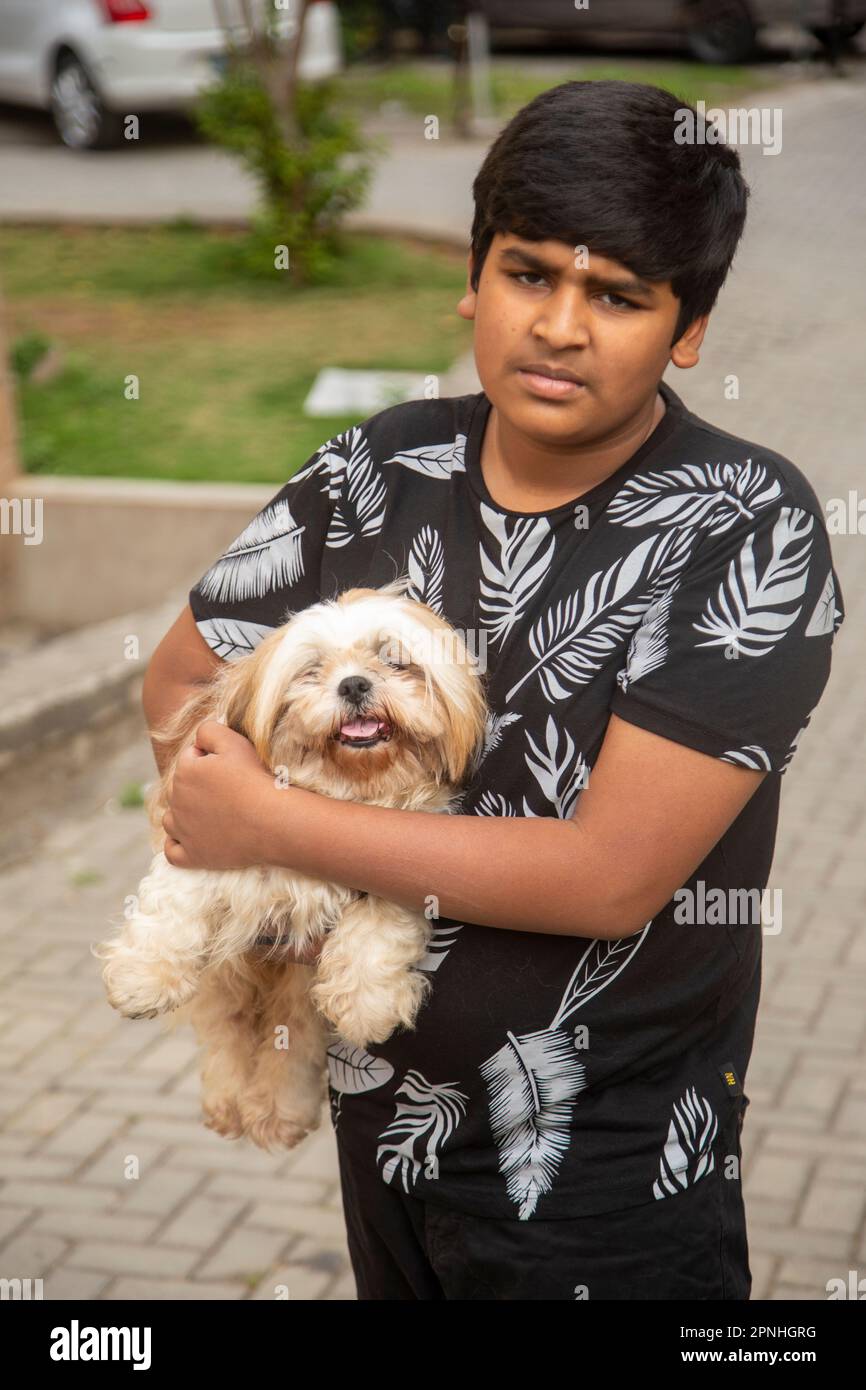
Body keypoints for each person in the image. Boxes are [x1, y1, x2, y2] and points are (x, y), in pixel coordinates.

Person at [146, 80, 845, 1300]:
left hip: (601, 1179)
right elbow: (181, 683)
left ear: (688, 328)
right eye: (528, 274)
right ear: (473, 277)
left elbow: (606, 877)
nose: (559, 327)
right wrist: (266, 878)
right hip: (383, 1137)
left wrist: (273, 825)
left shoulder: (743, 523)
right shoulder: (375, 468)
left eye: (617, 295)